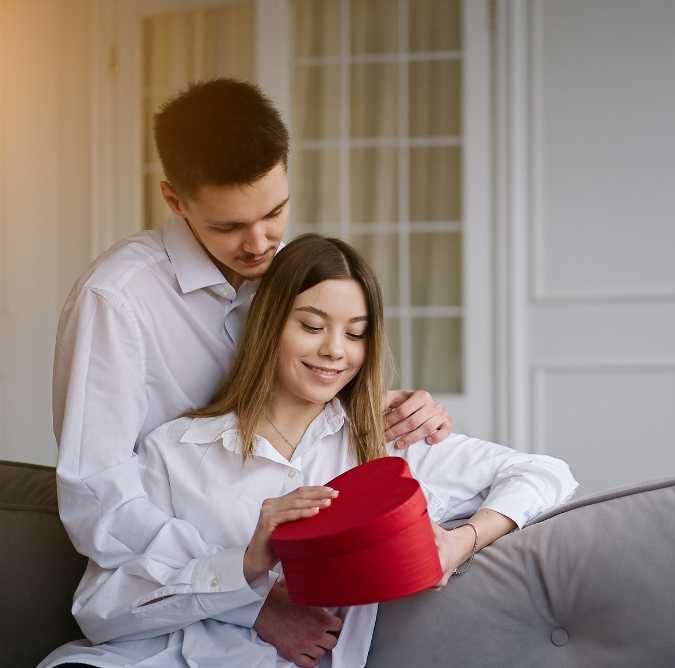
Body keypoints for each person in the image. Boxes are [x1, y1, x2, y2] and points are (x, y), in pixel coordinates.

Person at [52, 79, 452, 664]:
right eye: (227, 227)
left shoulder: (284, 274)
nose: (258, 243)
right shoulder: (116, 299)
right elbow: (100, 502)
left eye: (275, 213)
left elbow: (299, 382)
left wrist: (384, 403)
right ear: (175, 200)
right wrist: (249, 594)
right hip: (163, 599)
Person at [40, 234, 578, 668]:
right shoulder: (176, 450)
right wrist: (247, 572)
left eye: (355, 333)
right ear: (270, 325)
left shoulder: (387, 447)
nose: (334, 351)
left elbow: (546, 474)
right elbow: (102, 611)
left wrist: (460, 542)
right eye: (313, 326)